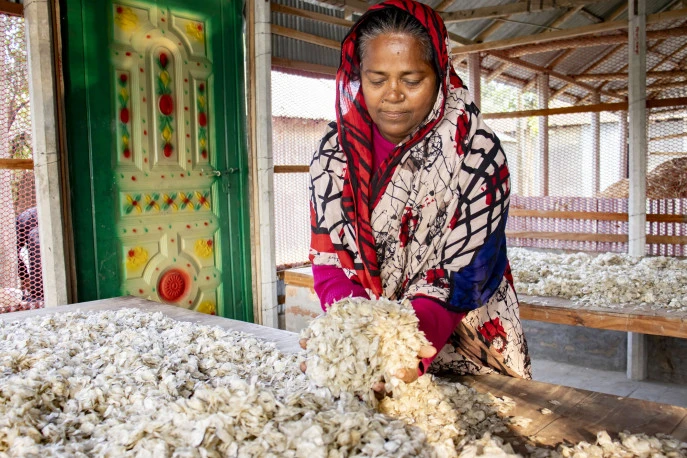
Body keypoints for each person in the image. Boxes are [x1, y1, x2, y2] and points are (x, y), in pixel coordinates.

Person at [307, 0, 531, 387]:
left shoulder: (475, 153)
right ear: (358, 75)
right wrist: (353, 333)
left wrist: (404, 345)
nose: (392, 95)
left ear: (440, 74)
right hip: (370, 344)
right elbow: (328, 259)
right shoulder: (334, 153)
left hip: (467, 340)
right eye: (376, 79)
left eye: (411, 80)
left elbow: (469, 270)